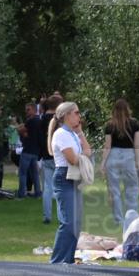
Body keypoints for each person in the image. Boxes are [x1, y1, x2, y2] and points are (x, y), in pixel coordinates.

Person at [48, 101, 92, 264]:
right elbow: (73, 159)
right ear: (67, 115)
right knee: (69, 222)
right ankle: (58, 262)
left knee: (76, 222)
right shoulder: (61, 134)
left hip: (74, 179)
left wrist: (80, 133)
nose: (79, 116)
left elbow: (88, 151)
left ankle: (68, 260)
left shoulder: (72, 134)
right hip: (64, 178)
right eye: (77, 113)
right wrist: (84, 157)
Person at [100, 99, 139, 228]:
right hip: (129, 156)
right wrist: (137, 161)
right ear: (127, 109)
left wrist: (102, 163)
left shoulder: (110, 125)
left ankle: (119, 220)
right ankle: (132, 218)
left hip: (113, 156)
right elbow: (137, 145)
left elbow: (107, 146)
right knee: (132, 189)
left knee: (115, 190)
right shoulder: (134, 124)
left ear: (114, 110)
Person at [38, 94, 62, 223]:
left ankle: (46, 216)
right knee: (60, 187)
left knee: (47, 187)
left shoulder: (42, 120)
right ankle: (61, 217)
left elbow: (40, 138)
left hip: (46, 155)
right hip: (59, 156)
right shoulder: (59, 120)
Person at [18, 103, 42, 199]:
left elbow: (21, 130)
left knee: (22, 173)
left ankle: (21, 194)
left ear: (33, 110)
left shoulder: (30, 121)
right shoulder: (40, 121)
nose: (26, 112)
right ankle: (37, 193)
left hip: (27, 150)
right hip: (35, 151)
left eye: (28, 109)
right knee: (35, 173)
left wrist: (20, 130)